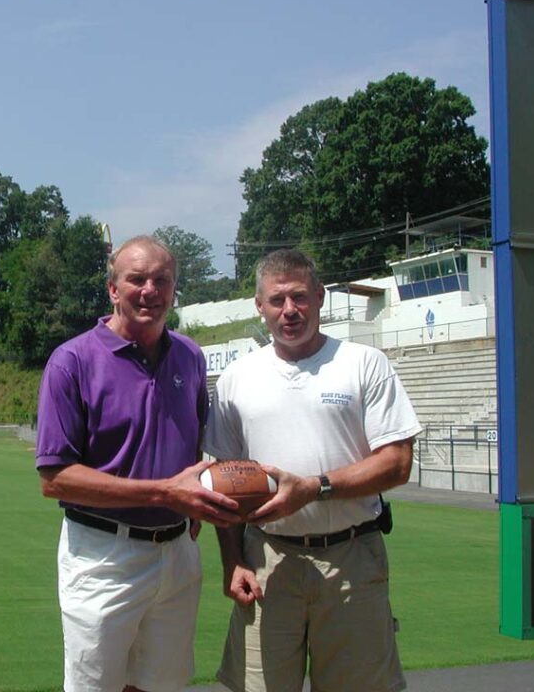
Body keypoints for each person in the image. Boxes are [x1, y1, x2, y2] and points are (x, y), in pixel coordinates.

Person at [205, 248, 420, 692]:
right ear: (259, 307)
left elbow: (397, 463)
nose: (290, 311)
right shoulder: (237, 378)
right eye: (277, 300)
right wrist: (232, 561)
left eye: (299, 297)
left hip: (350, 558)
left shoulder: (363, 364)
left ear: (320, 297)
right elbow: (224, 479)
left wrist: (315, 488)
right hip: (266, 558)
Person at [35, 234, 242, 692]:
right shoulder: (71, 362)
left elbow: (199, 452)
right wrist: (165, 493)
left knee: (161, 685)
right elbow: (55, 479)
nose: (150, 289)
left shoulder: (189, 356)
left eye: (162, 280)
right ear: (113, 289)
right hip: (103, 555)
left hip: (176, 554)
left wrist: (211, 526)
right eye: (137, 279)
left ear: (173, 289)